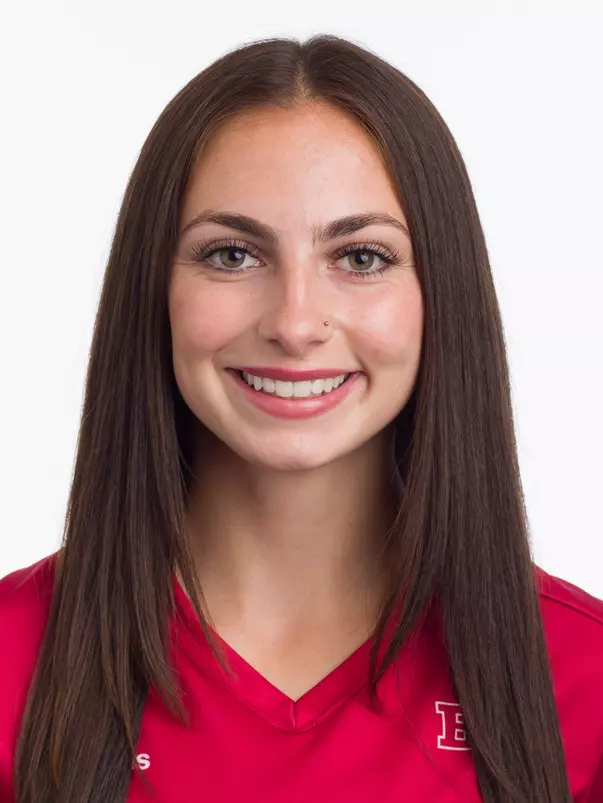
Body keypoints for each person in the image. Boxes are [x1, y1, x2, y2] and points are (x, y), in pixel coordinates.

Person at [1, 33, 602, 803]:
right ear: (152, 290)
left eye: (359, 258)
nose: (294, 322)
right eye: (230, 255)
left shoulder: (580, 680)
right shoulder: (12, 662)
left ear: (438, 293)